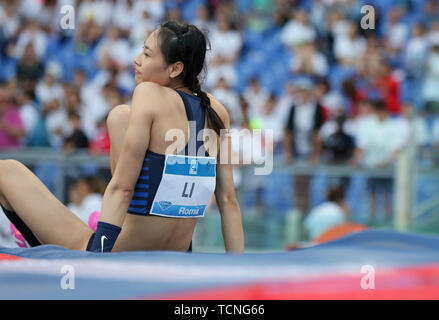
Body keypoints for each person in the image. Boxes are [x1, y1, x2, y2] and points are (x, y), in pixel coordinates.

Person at [0, 21, 244, 253]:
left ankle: (41, 240)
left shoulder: (148, 93)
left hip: (121, 253)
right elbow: (229, 202)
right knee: (119, 116)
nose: (136, 60)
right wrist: (239, 272)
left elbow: (121, 189)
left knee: (6, 171)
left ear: (175, 68)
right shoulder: (217, 110)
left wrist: (98, 260)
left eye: (147, 55)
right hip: (176, 256)